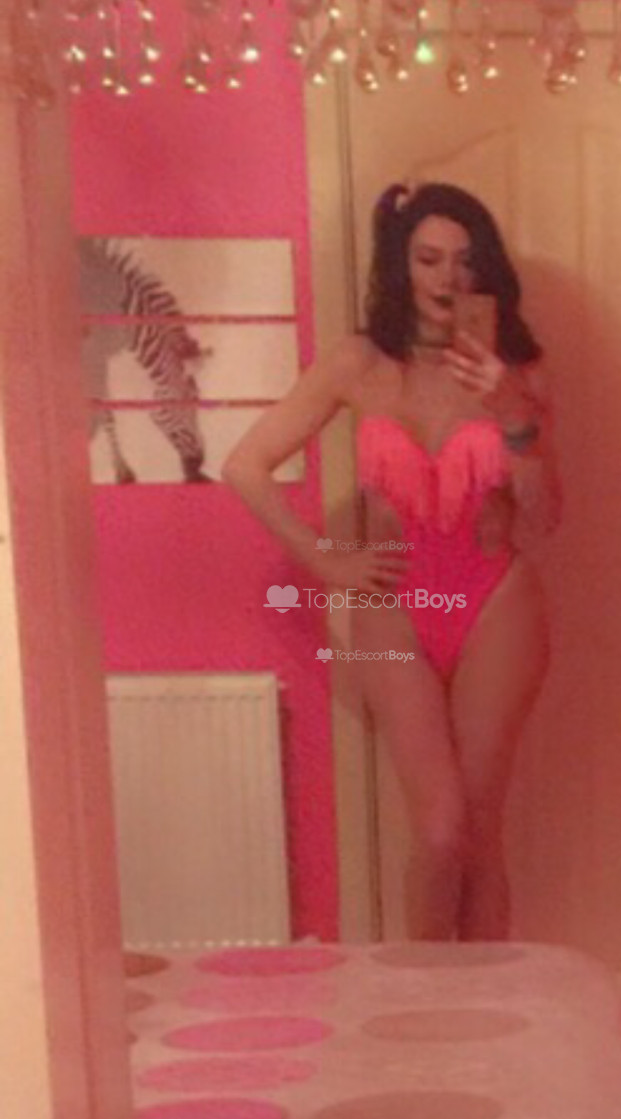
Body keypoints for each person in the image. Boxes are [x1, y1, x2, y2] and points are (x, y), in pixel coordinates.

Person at [223, 182, 561, 941]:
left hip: (494, 600)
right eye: (428, 259)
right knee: (439, 831)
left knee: (480, 832)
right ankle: (426, 998)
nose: (447, 278)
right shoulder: (361, 362)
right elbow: (246, 465)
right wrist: (328, 562)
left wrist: (513, 413)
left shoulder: (521, 373)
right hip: (395, 606)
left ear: (487, 271)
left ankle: (486, 1003)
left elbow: (545, 520)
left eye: (465, 260)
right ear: (401, 266)